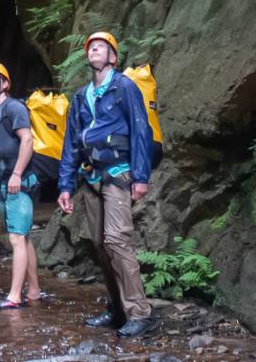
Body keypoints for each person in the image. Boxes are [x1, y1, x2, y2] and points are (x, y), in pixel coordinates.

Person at [56, 32, 157, 337]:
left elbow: (142, 130)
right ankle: (118, 310)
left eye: (101, 46)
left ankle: (141, 313)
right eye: (90, 47)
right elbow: (71, 143)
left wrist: (141, 177)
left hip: (118, 173)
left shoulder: (123, 86)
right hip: (90, 178)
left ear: (113, 57)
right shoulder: (81, 96)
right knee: (101, 247)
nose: (93, 49)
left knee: (116, 241)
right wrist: (64, 185)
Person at [0, 61, 43, 311]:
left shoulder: (14, 107)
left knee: (16, 238)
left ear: (5, 83)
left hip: (21, 182)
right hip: (6, 182)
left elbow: (27, 140)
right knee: (23, 238)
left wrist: (17, 174)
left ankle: (15, 296)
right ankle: (34, 290)